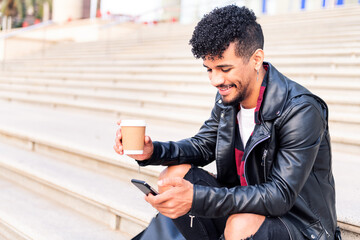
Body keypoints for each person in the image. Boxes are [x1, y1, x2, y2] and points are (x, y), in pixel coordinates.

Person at [114, 5, 339, 240]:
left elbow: (280, 195)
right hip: (245, 207)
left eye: (224, 68)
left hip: (300, 224)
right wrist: (152, 151)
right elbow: (202, 146)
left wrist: (196, 198)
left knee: (239, 224)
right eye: (209, 69)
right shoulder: (228, 97)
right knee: (174, 177)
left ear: (256, 59)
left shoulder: (300, 109)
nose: (215, 80)